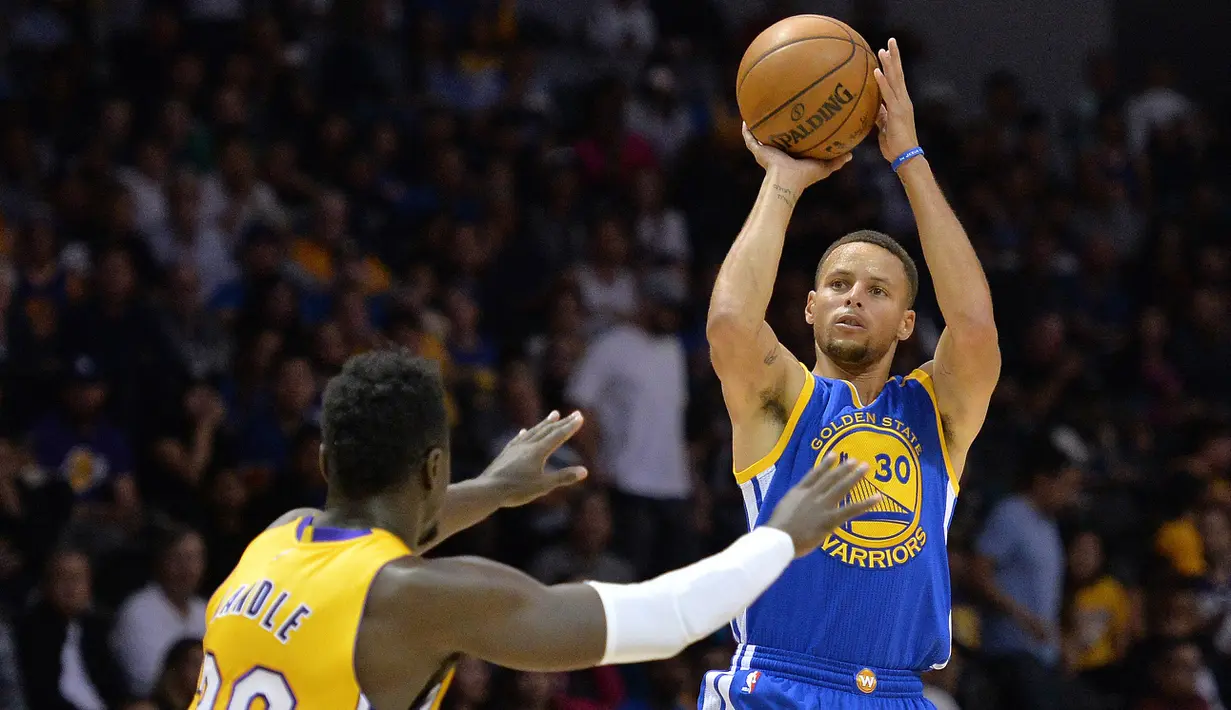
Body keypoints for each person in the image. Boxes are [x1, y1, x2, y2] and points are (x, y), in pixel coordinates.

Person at [191, 349, 880, 710]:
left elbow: (380, 544)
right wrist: (782, 535)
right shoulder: (420, 599)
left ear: (323, 461)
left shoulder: (279, 538)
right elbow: (666, 619)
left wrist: (491, 490)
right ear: (434, 467)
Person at [702, 39, 1000, 707]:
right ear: (808, 309)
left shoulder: (936, 412)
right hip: (774, 685)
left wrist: (909, 160)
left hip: (896, 693)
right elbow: (728, 324)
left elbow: (975, 329)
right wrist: (781, 180)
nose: (852, 298)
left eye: (875, 290)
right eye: (836, 284)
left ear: (905, 323)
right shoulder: (780, 398)